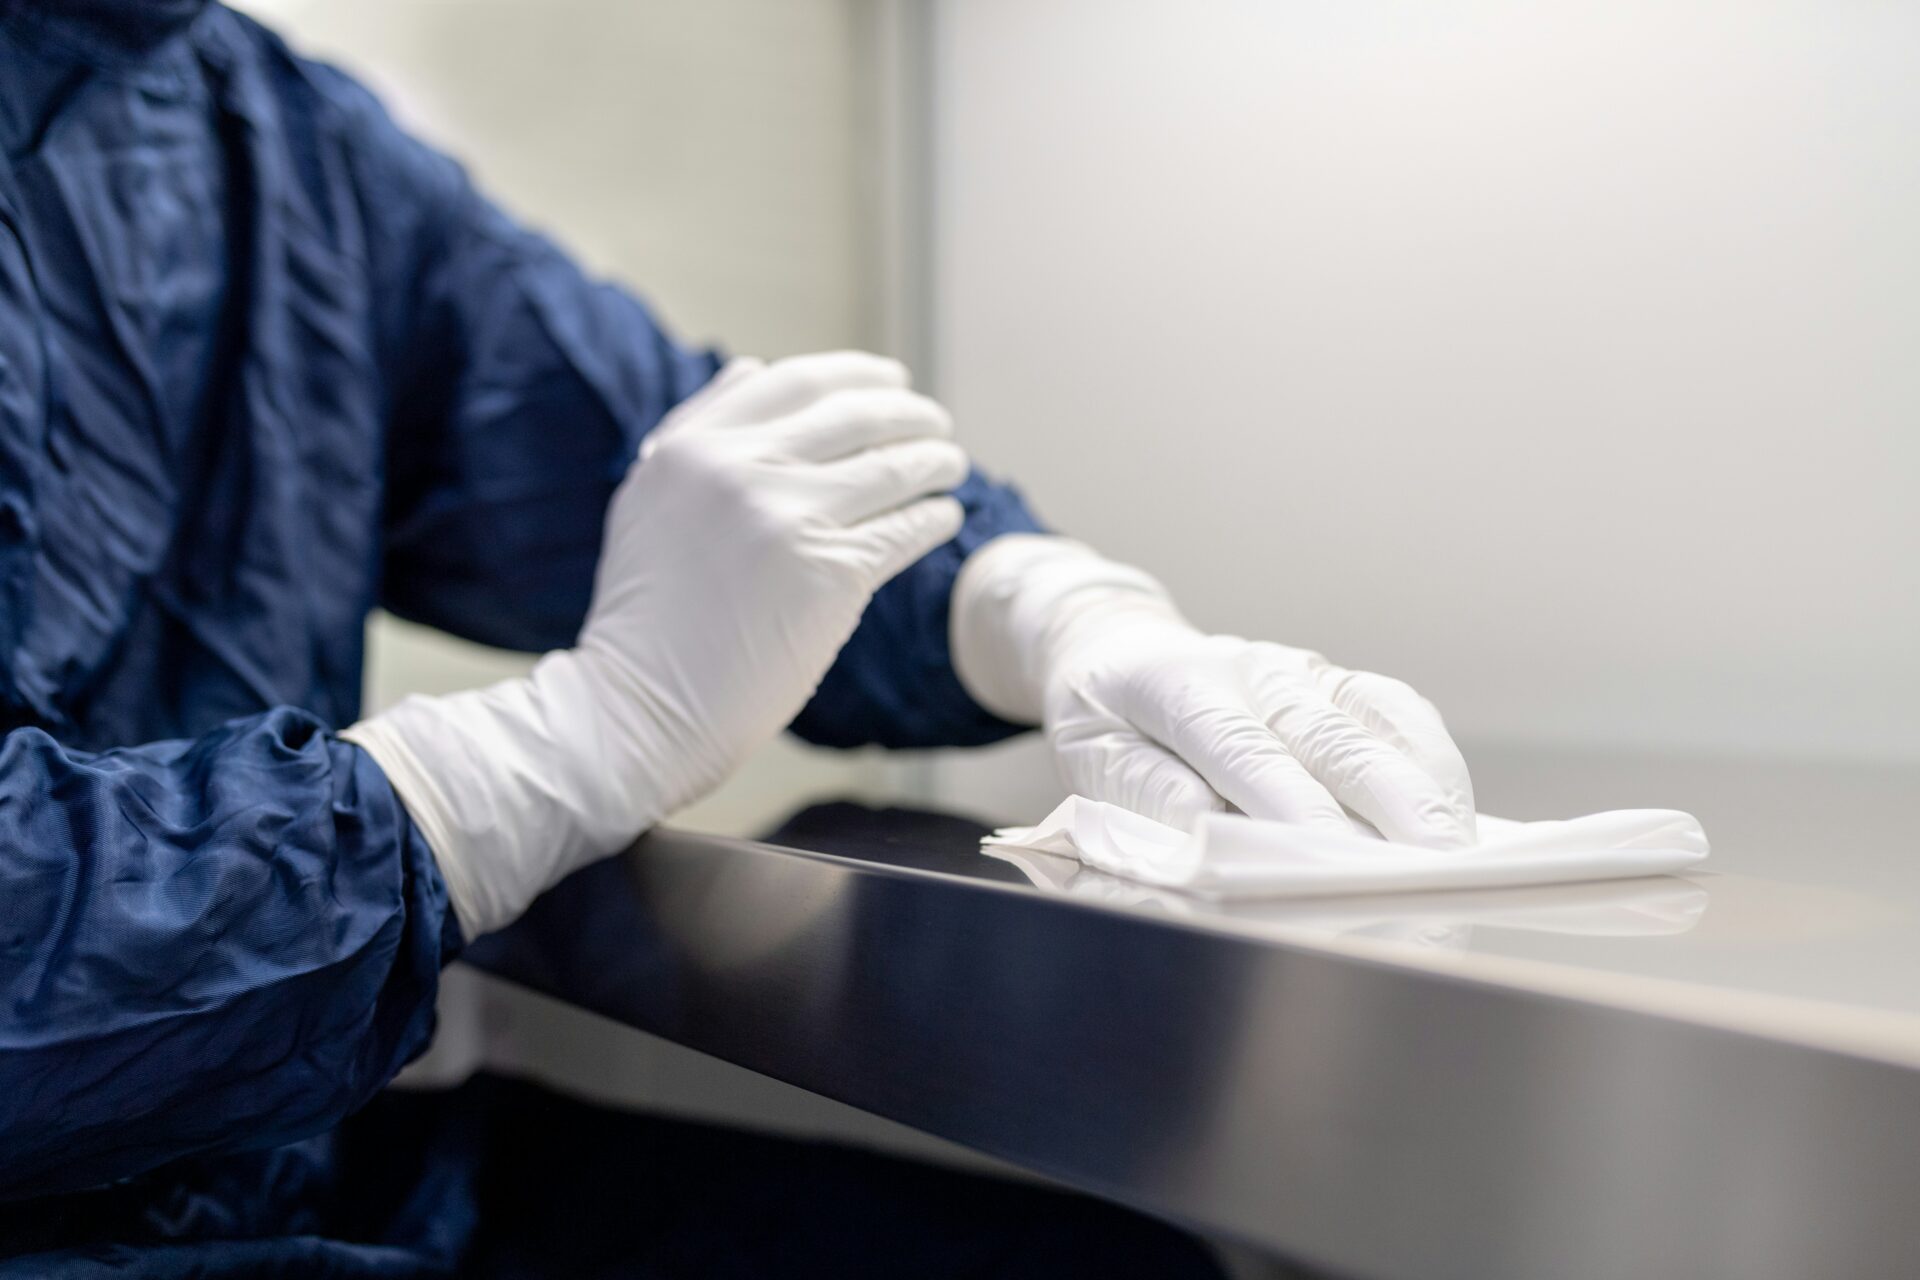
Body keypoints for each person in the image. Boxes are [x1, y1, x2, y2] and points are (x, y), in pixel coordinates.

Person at [0, 1, 1476, 1274]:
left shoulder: (264, 139)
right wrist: (541, 758)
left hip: (283, 1170)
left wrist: (1040, 607)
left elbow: (661, 456)